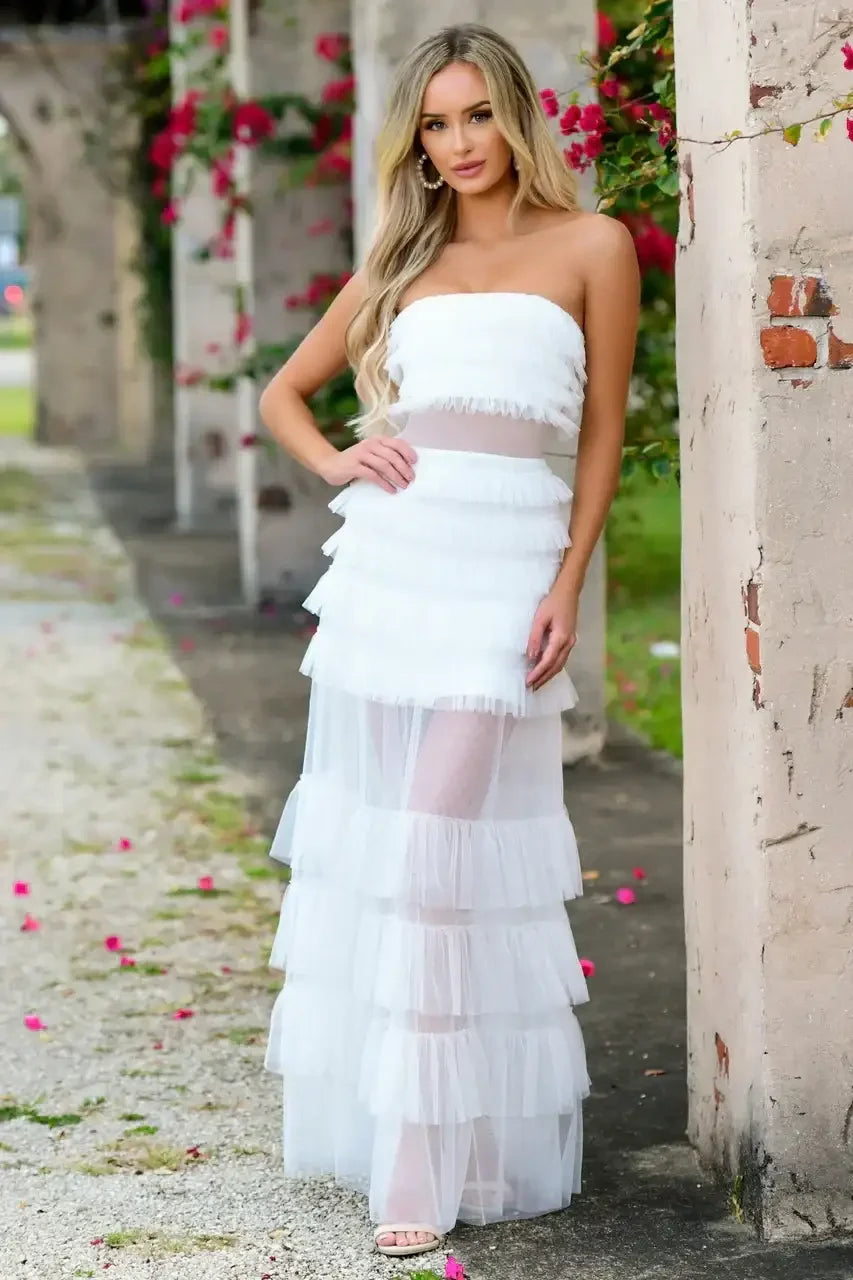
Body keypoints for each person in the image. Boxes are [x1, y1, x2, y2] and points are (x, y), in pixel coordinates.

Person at [259, 20, 639, 1261]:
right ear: (416, 140)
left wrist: (569, 582)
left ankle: (425, 1152)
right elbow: (283, 393)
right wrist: (337, 456)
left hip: (505, 571)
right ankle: (421, 1142)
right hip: (392, 565)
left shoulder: (593, 245)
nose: (459, 143)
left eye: (477, 116)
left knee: (437, 855)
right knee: (397, 859)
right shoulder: (403, 257)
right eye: (436, 122)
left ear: (515, 116)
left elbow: (599, 441)